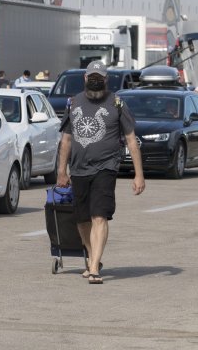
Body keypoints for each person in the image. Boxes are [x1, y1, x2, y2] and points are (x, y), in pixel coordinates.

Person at [56, 60, 146, 284]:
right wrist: (61, 171)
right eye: (92, 76)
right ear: (85, 78)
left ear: (106, 79)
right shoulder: (74, 102)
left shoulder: (117, 103)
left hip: (106, 167)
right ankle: (91, 256)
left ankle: (94, 267)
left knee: (99, 215)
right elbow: (66, 139)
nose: (95, 80)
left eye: (100, 76)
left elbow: (131, 140)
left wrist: (139, 174)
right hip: (78, 169)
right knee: (82, 219)